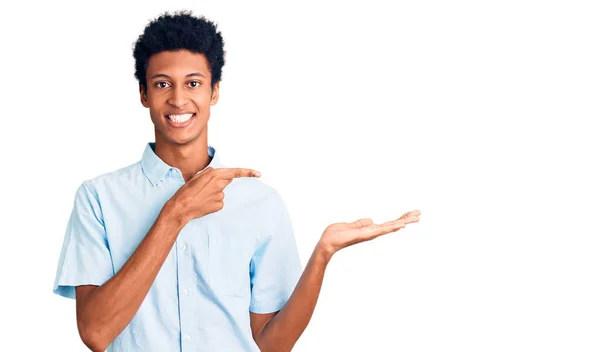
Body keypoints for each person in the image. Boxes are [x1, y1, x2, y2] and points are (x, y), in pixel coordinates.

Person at [52, 10, 421, 352]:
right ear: (144, 95)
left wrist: (322, 253)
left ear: (214, 92)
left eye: (193, 83)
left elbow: (271, 344)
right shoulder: (98, 198)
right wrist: (175, 214)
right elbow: (96, 333)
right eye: (163, 84)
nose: (179, 99)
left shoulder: (260, 202)